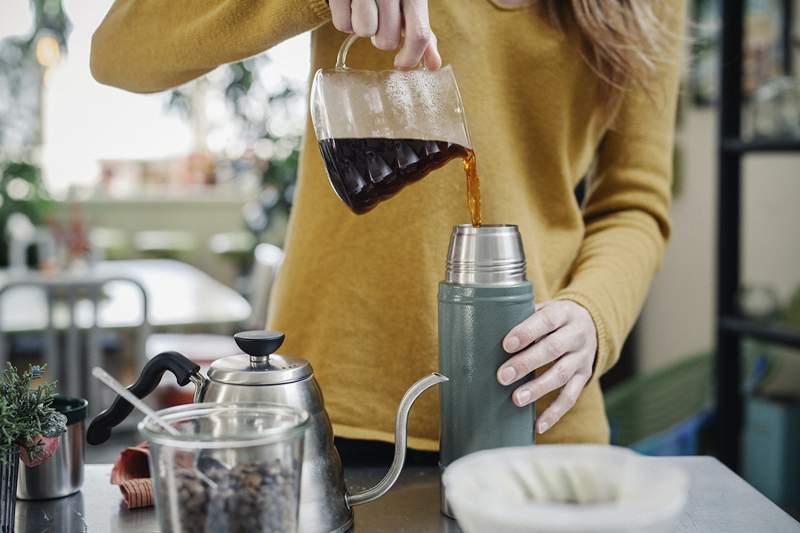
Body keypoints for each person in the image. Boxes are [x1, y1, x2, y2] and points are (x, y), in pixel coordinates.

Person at [91, 0, 686, 460]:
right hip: (335, 409)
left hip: (536, 406)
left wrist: (592, 316)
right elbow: (119, 48)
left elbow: (633, 201)